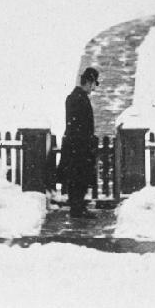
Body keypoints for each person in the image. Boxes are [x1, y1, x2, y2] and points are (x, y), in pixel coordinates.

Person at [61, 67, 99, 218]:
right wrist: (88, 140)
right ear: (88, 82)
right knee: (79, 178)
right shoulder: (79, 98)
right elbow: (80, 126)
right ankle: (77, 209)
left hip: (75, 146)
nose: (94, 88)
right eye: (94, 84)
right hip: (79, 147)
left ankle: (77, 207)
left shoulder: (75, 97)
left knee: (77, 178)